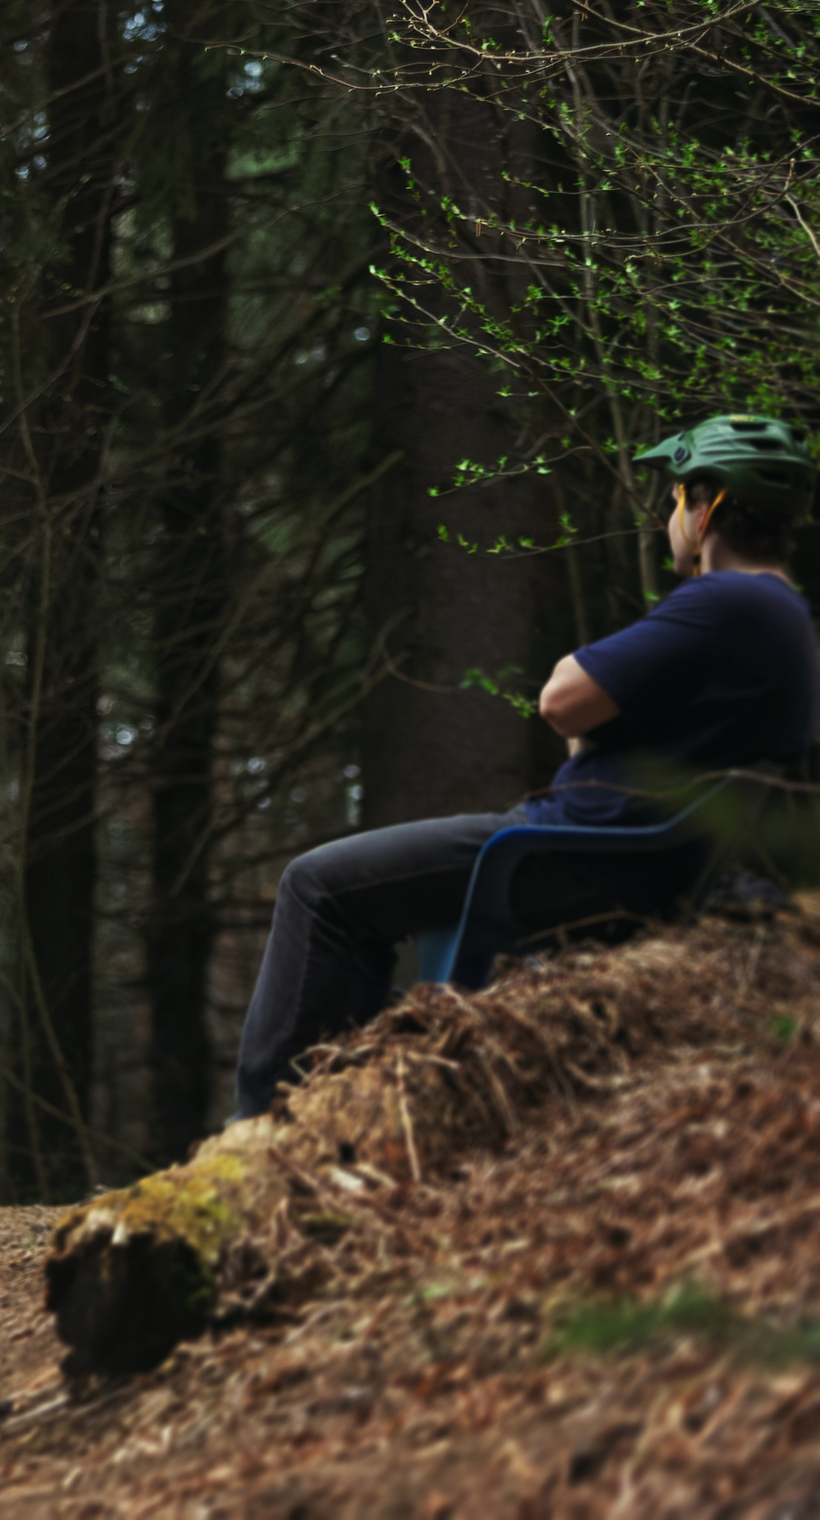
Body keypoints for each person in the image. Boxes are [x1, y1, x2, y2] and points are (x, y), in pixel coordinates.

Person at [234, 413, 820, 1119]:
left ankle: (265, 1124)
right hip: (643, 856)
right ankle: (336, 1113)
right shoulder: (785, 613)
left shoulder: (724, 600)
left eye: (674, 498)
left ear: (707, 506)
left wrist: (589, 708)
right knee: (363, 918)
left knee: (318, 889)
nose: (669, 516)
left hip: (575, 853)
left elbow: (562, 700)